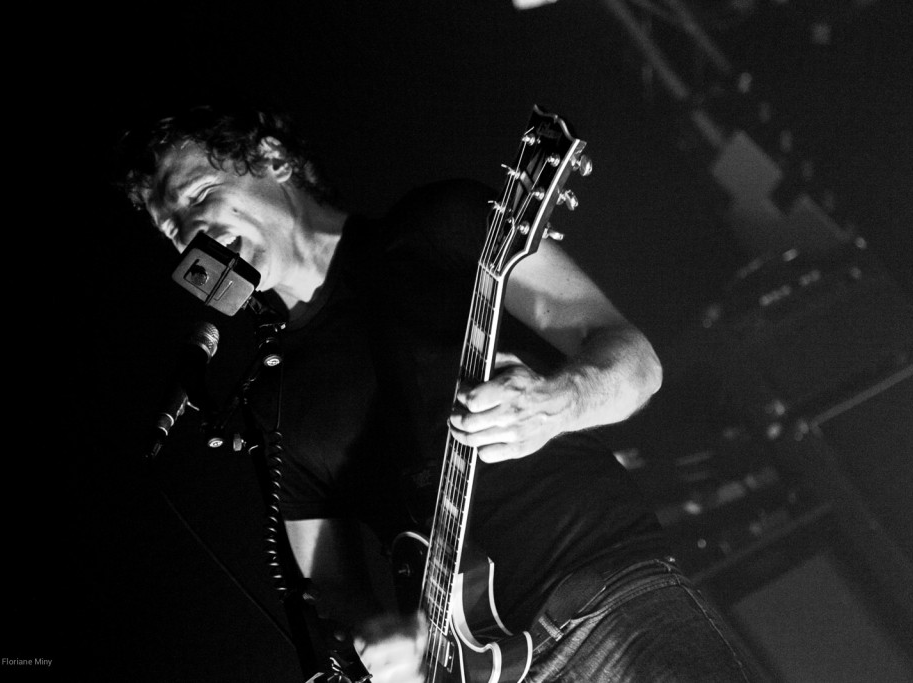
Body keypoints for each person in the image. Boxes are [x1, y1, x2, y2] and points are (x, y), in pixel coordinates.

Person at [116, 100, 752, 683]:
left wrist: (558, 402)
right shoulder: (271, 399)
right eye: (173, 232)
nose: (190, 235)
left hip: (603, 603)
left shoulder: (436, 226)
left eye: (199, 196)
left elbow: (636, 362)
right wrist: (381, 641)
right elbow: (332, 586)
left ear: (272, 159)